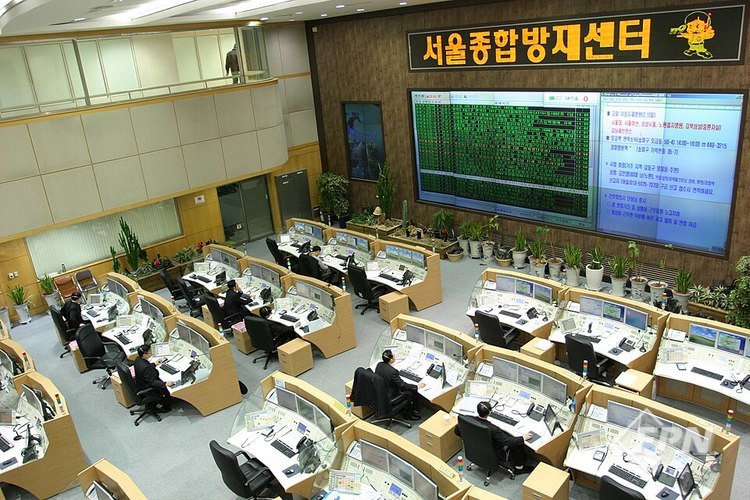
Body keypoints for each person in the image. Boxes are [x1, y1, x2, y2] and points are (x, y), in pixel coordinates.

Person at [454, 401, 535, 474]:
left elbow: (456, 431)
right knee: (518, 443)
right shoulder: (493, 429)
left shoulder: (467, 419)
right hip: (493, 453)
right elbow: (508, 441)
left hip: (474, 448)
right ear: (489, 413)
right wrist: (523, 438)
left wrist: (469, 439)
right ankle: (519, 468)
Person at [374, 349, 424, 421]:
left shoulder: (379, 364)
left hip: (381, 391)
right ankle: (408, 415)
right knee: (411, 392)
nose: (395, 357)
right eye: (394, 356)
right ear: (391, 359)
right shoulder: (393, 372)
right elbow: (403, 385)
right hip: (390, 396)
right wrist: (417, 386)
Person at [134, 344, 173, 413]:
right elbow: (152, 382)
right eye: (149, 352)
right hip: (147, 388)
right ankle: (165, 407)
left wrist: (154, 364)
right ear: (144, 355)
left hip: (140, 384)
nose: (151, 353)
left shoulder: (138, 359)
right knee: (166, 389)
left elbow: (145, 368)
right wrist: (165, 383)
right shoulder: (146, 367)